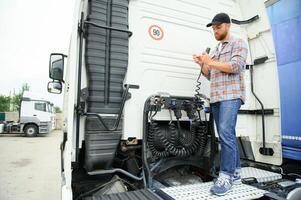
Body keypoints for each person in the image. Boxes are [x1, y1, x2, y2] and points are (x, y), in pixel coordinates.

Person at [193, 13, 248, 196]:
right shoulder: (215, 49)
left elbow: (235, 67)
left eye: (218, 27)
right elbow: (210, 75)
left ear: (227, 26)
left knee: (225, 134)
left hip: (231, 96)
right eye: (213, 28)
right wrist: (203, 64)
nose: (215, 30)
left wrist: (211, 62)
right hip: (216, 97)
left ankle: (226, 176)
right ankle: (236, 172)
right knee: (227, 134)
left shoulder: (238, 43)